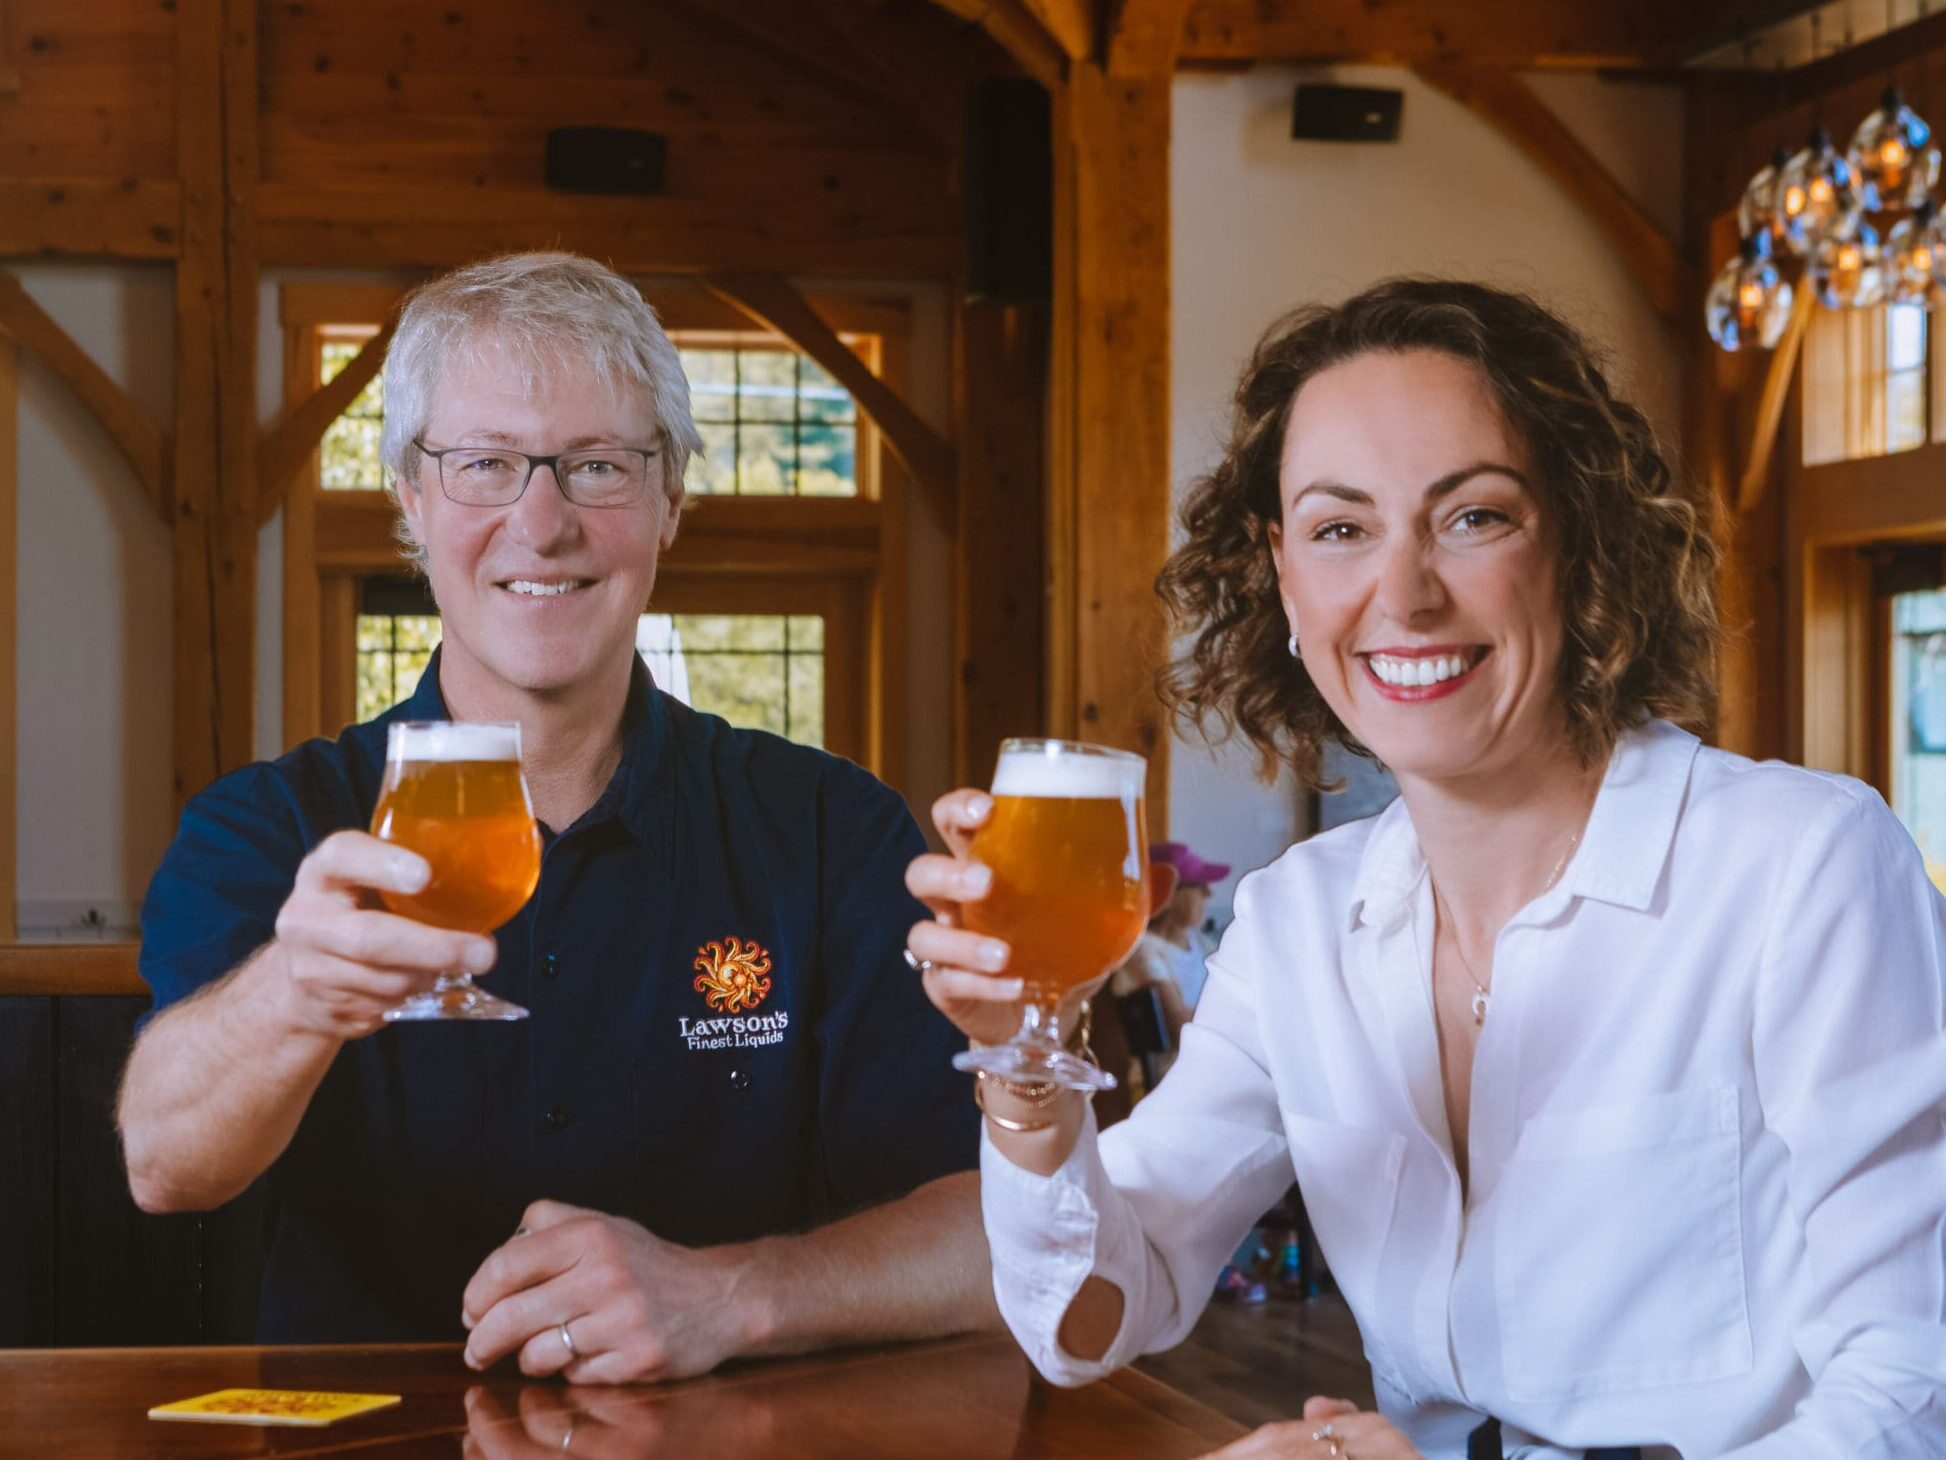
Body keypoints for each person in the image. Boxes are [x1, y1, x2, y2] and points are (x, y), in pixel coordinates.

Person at [905, 279, 1946, 1458]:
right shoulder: (1297, 921)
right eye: (1339, 528)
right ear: (1282, 576)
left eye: (1472, 516)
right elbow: (1092, 1312)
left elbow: (1913, 1394)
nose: (1399, 594)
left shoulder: (1796, 867)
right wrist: (1024, 1066)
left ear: (1578, 540)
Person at [118, 252, 995, 1379]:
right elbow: (164, 1162)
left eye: (596, 466)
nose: (541, 524)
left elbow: (990, 1240)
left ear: (670, 500)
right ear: (410, 498)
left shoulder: (830, 830)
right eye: (484, 463)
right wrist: (294, 991)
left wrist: (734, 1293)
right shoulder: (272, 824)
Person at [1111, 840, 1231, 1038]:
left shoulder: (1198, 941)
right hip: (1178, 1065)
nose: (1208, 894)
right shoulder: (1143, 948)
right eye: (1197, 886)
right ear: (1168, 893)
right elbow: (1178, 1026)